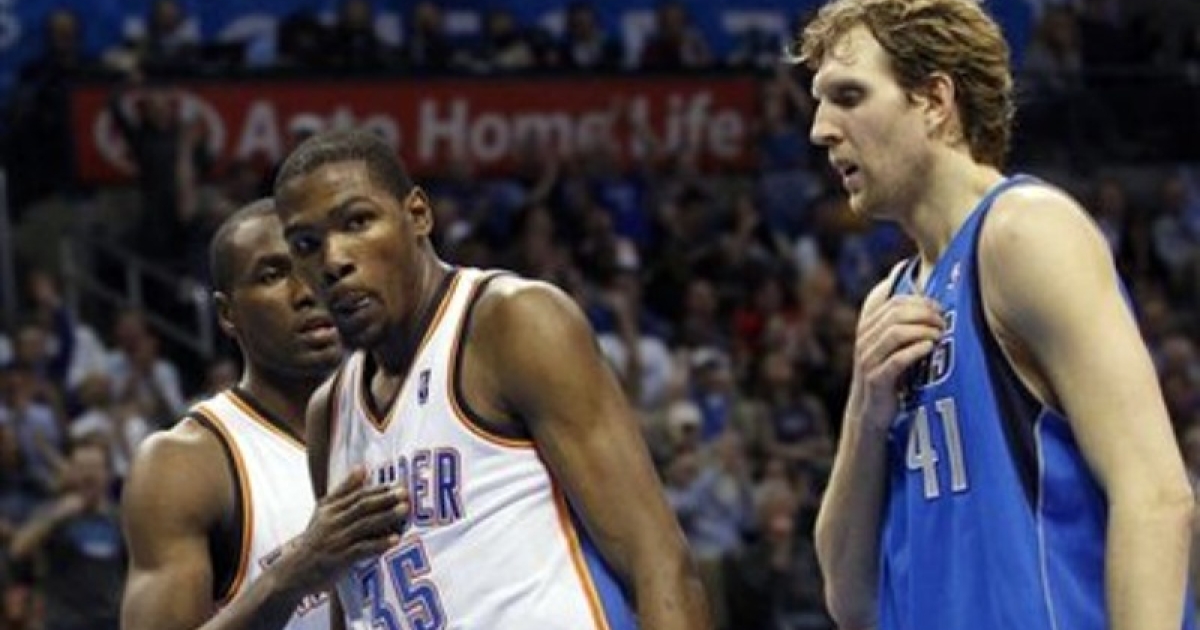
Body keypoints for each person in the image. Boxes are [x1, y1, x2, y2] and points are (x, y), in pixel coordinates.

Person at [795, 1, 1196, 630]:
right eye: (820, 102)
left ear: (934, 100)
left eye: (849, 96)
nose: (821, 129)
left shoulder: (1024, 232)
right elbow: (850, 597)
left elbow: (1155, 494)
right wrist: (865, 413)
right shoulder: (888, 301)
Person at [273, 129, 711, 630]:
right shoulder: (329, 413)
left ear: (418, 215)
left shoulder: (512, 323)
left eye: (357, 222)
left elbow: (659, 563)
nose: (333, 260)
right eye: (306, 245)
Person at [120, 199, 409, 630]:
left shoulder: (416, 403)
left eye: (314, 261)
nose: (307, 291)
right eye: (272, 275)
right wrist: (292, 574)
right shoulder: (186, 463)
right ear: (227, 314)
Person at [9, 438, 124, 630]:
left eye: (95, 468)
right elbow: (18, 550)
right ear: (70, 472)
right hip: (65, 622)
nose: (89, 475)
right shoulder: (51, 512)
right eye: (82, 468)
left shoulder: (118, 519)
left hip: (110, 620)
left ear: (107, 473)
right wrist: (57, 516)